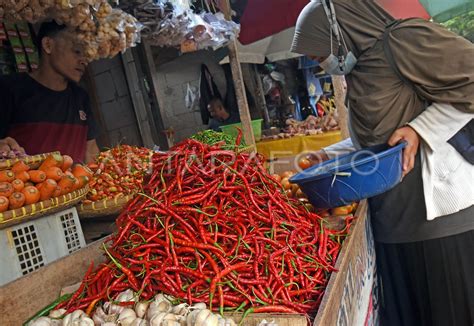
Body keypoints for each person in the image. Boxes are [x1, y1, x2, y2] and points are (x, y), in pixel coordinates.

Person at [291, 1, 474, 325]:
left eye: (317, 49)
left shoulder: (402, 42)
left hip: (438, 226)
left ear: (336, 31)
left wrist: (421, 129)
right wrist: (329, 155)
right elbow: (382, 139)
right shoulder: (361, 70)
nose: (315, 61)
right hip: (392, 224)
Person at [0, 21, 99, 163]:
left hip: (78, 184)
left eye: (87, 53)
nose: (84, 60)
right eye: (77, 50)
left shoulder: (81, 97)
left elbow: (91, 151)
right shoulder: (9, 89)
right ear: (48, 45)